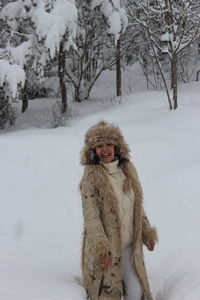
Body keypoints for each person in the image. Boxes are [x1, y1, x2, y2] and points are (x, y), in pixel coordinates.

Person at [80, 120, 158, 300]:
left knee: (137, 293)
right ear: (93, 150)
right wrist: (101, 248)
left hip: (129, 245)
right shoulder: (91, 178)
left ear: (117, 147)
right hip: (108, 249)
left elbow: (137, 204)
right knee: (109, 295)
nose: (105, 149)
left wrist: (146, 231)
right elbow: (91, 219)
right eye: (99, 146)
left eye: (109, 144)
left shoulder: (128, 170)